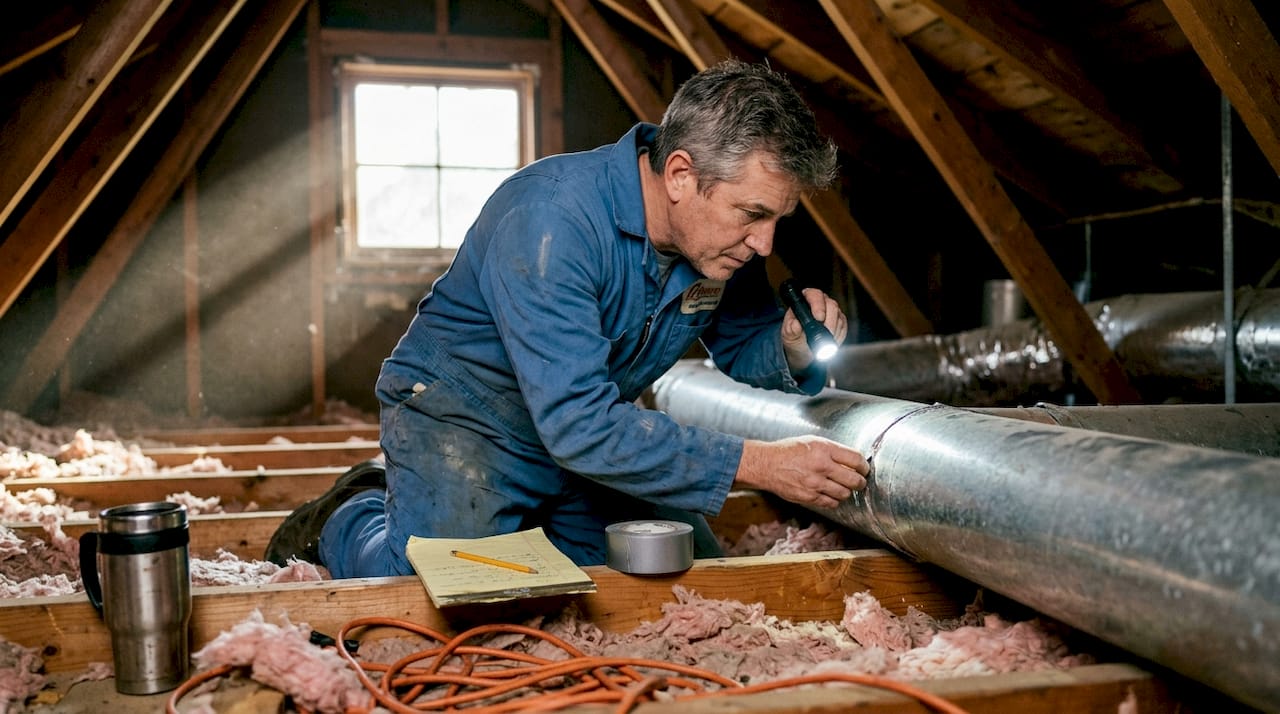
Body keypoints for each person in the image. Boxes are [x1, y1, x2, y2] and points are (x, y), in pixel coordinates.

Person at [266, 60, 869, 576]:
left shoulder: (718, 244)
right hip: (466, 422)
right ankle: (350, 513)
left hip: (584, 433)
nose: (765, 244)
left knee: (679, 573)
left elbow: (739, 342)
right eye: (753, 214)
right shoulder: (552, 219)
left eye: (777, 220)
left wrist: (788, 346)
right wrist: (761, 463)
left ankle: (536, 522)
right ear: (681, 175)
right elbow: (579, 424)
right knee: (452, 589)